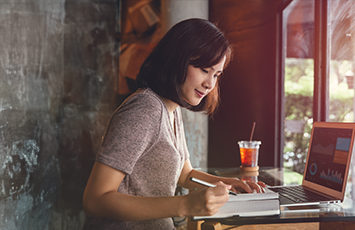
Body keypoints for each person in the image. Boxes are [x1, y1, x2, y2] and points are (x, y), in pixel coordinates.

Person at [81, 18, 266, 229]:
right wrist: (185, 204)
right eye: (204, 70)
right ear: (177, 59)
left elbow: (185, 174)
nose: (210, 84)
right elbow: (95, 200)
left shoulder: (171, 108)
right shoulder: (144, 109)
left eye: (216, 74)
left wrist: (227, 184)